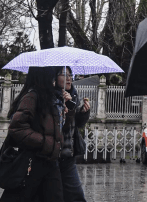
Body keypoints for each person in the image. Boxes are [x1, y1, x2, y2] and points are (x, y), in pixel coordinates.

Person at [0, 66, 65, 202]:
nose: (54, 79)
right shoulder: (31, 96)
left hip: (50, 162)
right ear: (44, 76)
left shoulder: (51, 97)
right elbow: (17, 127)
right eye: (52, 75)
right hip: (33, 162)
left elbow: (55, 129)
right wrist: (44, 142)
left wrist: (66, 113)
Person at [56, 67, 91, 202]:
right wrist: (62, 108)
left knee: (77, 196)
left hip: (68, 157)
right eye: (64, 74)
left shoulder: (73, 95)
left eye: (70, 75)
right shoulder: (49, 96)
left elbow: (77, 124)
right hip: (52, 157)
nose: (69, 78)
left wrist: (83, 112)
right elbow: (57, 127)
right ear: (55, 77)